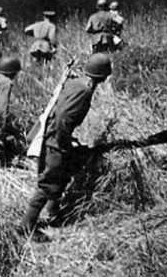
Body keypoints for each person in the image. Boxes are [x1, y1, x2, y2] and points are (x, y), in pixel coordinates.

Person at [18, 54, 112, 242]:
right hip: (56, 139)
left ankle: (54, 214)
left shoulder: (76, 83)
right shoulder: (84, 90)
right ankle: (26, 226)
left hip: (54, 135)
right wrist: (62, 143)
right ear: (102, 75)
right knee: (49, 181)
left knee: (62, 175)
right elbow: (63, 118)